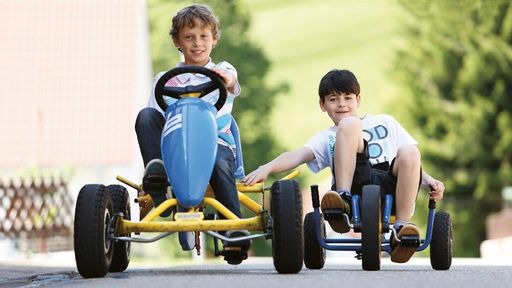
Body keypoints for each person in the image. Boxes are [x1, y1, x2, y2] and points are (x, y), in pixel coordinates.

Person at [243, 69, 444, 263]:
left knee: (410, 151)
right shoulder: (327, 137)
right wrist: (266, 168)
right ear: (322, 104)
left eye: (348, 98)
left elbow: (411, 163)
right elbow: (297, 155)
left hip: (391, 184)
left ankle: (401, 228)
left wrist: (429, 181)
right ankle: (342, 198)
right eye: (333, 99)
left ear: (358, 100)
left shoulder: (386, 121)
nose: (342, 105)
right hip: (356, 185)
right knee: (349, 124)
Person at [134, 3, 243, 234]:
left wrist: (226, 78)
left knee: (220, 164)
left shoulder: (222, 69)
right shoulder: (165, 79)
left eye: (204, 36)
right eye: (189, 37)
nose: (197, 43)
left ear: (214, 39)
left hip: (216, 144)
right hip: (175, 148)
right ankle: (157, 176)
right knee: (145, 116)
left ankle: (233, 226)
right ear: (177, 41)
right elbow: (155, 118)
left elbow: (232, 79)